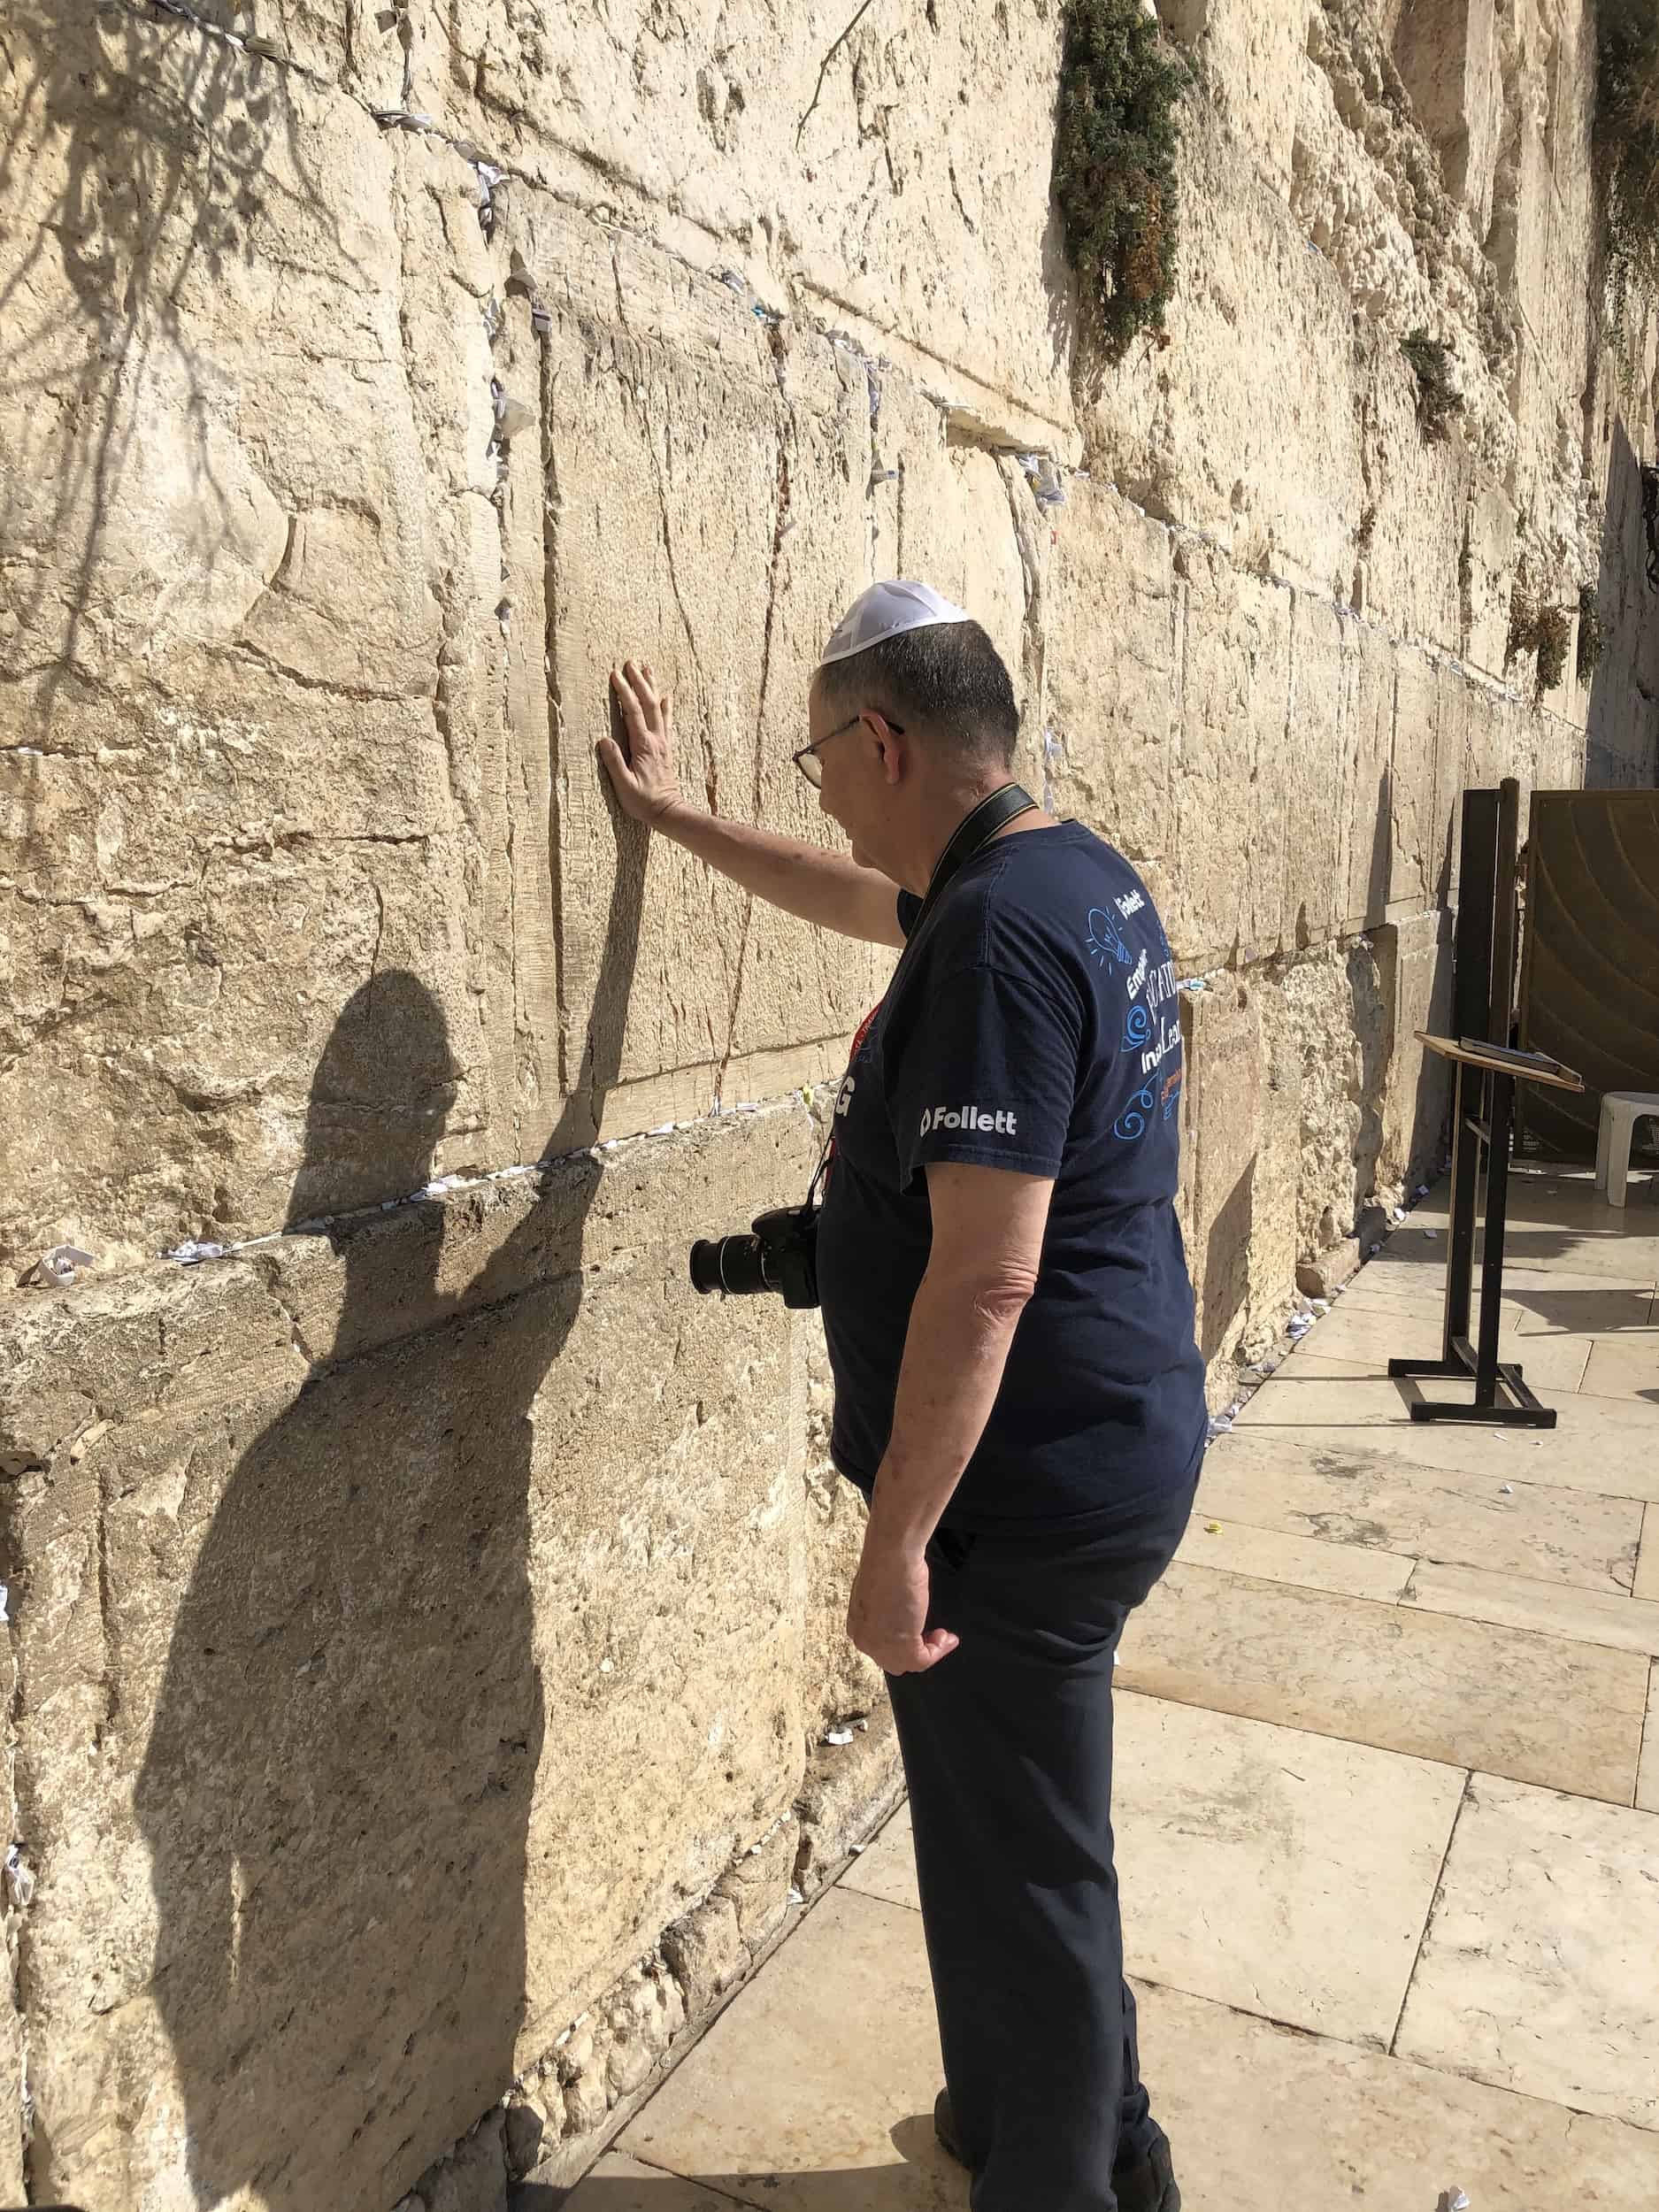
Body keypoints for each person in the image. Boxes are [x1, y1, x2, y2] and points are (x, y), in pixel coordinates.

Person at [600, 580, 1206, 2212]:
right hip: (1093, 1443)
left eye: (819, 765)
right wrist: (672, 821)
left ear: (882, 738)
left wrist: (899, 1535)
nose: (825, 801)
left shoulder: (998, 936)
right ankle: (1023, 2127)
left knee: (1033, 1870)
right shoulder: (1053, 879)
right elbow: (862, 899)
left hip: (1024, 1484)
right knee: (1005, 1833)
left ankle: (1079, 2182)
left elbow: (988, 1275)